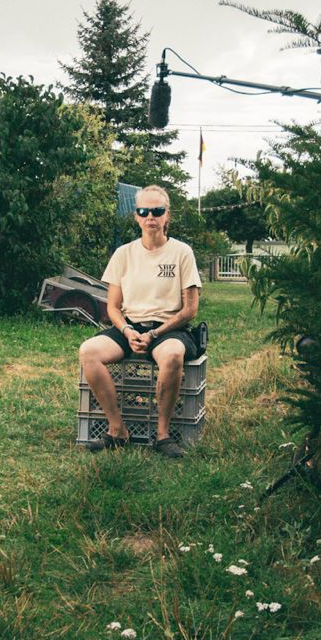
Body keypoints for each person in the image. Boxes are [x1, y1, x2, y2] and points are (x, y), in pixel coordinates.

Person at [78, 184, 202, 458]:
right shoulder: (124, 254)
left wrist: (155, 334)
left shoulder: (182, 253)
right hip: (130, 326)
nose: (150, 217)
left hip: (169, 328)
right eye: (143, 211)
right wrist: (125, 329)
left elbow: (190, 309)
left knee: (171, 355)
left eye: (157, 211)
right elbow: (112, 305)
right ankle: (117, 431)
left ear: (167, 215)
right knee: (88, 351)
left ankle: (162, 435)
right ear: (136, 216)